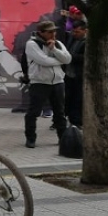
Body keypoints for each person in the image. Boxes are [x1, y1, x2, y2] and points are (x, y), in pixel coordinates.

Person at [23, 20, 71, 148]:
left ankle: (62, 138)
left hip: (58, 82)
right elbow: (43, 61)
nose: (53, 34)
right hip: (39, 82)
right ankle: (30, 138)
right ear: (41, 32)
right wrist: (60, 61)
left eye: (54, 31)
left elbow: (68, 59)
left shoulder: (58, 43)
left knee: (60, 112)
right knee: (33, 112)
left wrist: (54, 49)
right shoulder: (32, 44)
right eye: (50, 32)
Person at [64, 20, 87, 127]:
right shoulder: (71, 39)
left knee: (78, 99)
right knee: (68, 98)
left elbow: (86, 58)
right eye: (73, 31)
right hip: (69, 74)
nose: (74, 34)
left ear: (84, 31)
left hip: (79, 75)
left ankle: (77, 121)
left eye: (77, 32)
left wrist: (70, 57)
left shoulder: (87, 42)